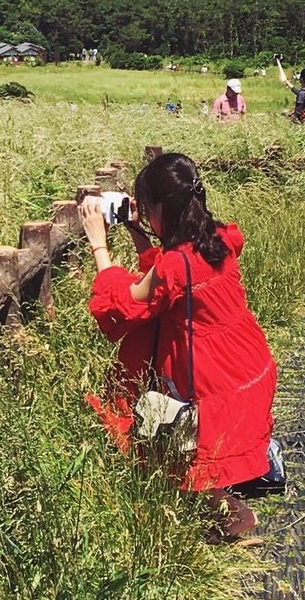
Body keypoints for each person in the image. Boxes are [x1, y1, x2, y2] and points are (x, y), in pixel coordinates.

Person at [82, 151, 277, 541]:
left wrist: (99, 246)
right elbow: (173, 276)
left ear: (160, 209)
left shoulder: (175, 264)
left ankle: (234, 515)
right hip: (247, 361)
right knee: (199, 451)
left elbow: (130, 303)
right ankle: (225, 509)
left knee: (190, 450)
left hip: (212, 375)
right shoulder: (216, 237)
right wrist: (140, 230)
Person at [275, 57, 305, 123]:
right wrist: (287, 82)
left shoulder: (302, 94)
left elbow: (297, 113)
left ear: (301, 79)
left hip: (303, 120)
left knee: (282, 112)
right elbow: (297, 91)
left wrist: (288, 116)